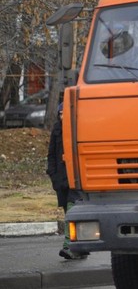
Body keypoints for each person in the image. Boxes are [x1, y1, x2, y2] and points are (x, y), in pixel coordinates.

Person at [46, 104, 87, 261]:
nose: (62, 117)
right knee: (70, 213)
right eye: (60, 114)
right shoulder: (56, 130)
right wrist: (53, 175)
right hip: (60, 180)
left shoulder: (78, 129)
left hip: (75, 179)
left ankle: (68, 246)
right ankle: (80, 247)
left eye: (65, 114)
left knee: (71, 213)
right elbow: (51, 155)